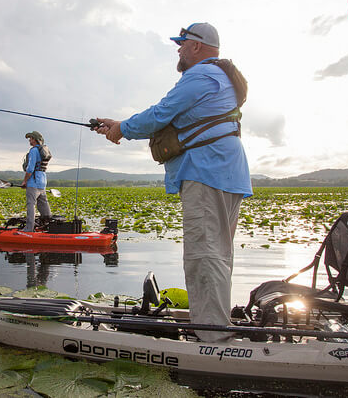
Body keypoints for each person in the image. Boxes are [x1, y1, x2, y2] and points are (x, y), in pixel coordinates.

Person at [95, 22, 252, 342]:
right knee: (218, 255)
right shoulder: (221, 78)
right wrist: (120, 124)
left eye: (182, 43)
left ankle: (212, 338)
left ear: (197, 46)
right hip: (227, 174)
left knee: (204, 255)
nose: (178, 49)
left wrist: (122, 128)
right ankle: (212, 323)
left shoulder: (200, 75)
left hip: (206, 174)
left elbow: (160, 114)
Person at [21, 131, 52, 232]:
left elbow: (30, 169)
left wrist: (24, 181)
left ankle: (29, 229)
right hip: (42, 182)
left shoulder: (34, 150)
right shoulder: (43, 150)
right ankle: (48, 226)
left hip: (33, 182)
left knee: (31, 204)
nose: (29, 140)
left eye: (30, 138)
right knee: (44, 205)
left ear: (35, 139)